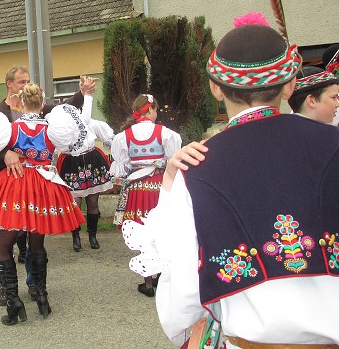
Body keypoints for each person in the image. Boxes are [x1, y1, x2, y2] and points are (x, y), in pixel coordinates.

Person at [123, 23, 339, 348]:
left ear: (216, 88)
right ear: (291, 84)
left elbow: (184, 286)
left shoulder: (195, 166)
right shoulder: (333, 144)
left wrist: (183, 332)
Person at [0, 83, 86, 325]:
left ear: (20, 104)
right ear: (42, 105)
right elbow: (72, 145)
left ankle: (14, 303)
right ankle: (42, 297)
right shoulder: (53, 130)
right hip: (43, 186)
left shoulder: (9, 129)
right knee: (37, 244)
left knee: (4, 245)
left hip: (15, 185)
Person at [0, 65, 95, 304]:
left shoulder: (33, 116)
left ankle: (29, 290)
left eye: (27, 81)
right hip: (25, 184)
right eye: (21, 81)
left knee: (13, 241)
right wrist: (6, 153)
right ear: (10, 85)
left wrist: (82, 94)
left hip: (19, 185)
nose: (25, 84)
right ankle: (18, 291)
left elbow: (63, 108)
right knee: (26, 240)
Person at [110, 93, 181, 297]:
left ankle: (148, 283)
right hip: (159, 186)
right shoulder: (165, 133)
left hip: (138, 187)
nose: (157, 113)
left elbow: (121, 167)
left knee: (142, 231)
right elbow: (172, 160)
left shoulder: (124, 136)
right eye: (155, 109)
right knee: (161, 229)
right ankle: (161, 277)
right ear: (149, 109)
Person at [56, 88, 114, 251]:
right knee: (75, 203)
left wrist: (114, 152)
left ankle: (92, 235)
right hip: (71, 164)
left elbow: (109, 139)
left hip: (91, 161)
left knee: (93, 202)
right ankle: (76, 237)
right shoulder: (63, 127)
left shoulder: (92, 123)